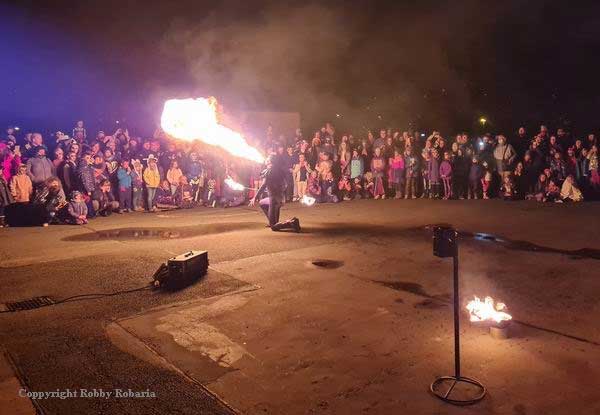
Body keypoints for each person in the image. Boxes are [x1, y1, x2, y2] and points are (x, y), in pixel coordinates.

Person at [250, 155, 300, 232]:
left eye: (268, 158)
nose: (266, 159)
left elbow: (264, 185)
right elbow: (285, 184)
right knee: (262, 203)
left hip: (274, 200)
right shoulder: (279, 170)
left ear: (271, 161)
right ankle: (274, 222)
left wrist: (255, 197)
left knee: (273, 227)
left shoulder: (269, 171)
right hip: (280, 198)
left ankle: (291, 223)